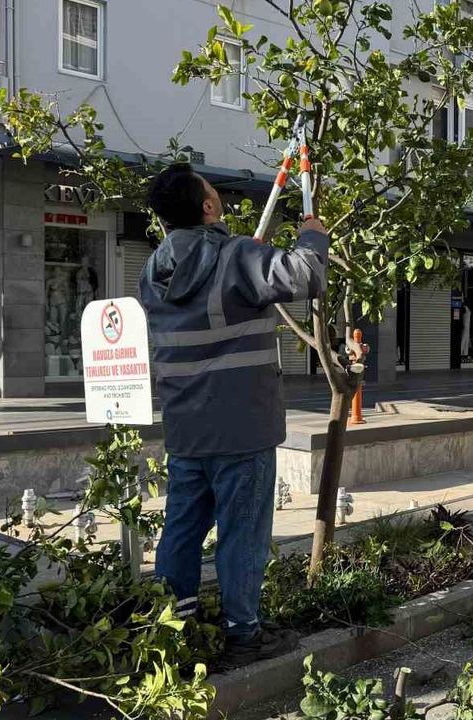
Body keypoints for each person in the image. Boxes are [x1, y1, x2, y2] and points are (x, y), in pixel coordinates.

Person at [140, 163, 328, 668]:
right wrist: (311, 236)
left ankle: (174, 626)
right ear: (207, 207)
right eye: (210, 189)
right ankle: (243, 633)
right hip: (242, 427)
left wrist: (245, 260)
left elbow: (209, 304)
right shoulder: (237, 256)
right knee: (243, 534)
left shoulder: (154, 272)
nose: (215, 191)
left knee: (182, 529)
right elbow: (307, 275)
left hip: (186, 427)